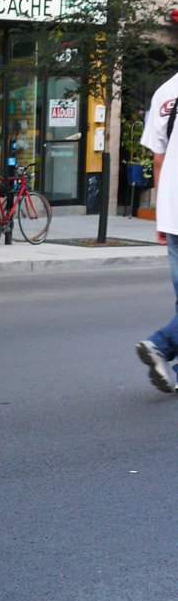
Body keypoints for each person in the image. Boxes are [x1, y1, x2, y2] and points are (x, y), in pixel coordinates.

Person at [136, 75, 178, 394]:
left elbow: (159, 161)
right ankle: (161, 346)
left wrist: (162, 218)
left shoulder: (165, 91)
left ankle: (170, 367)